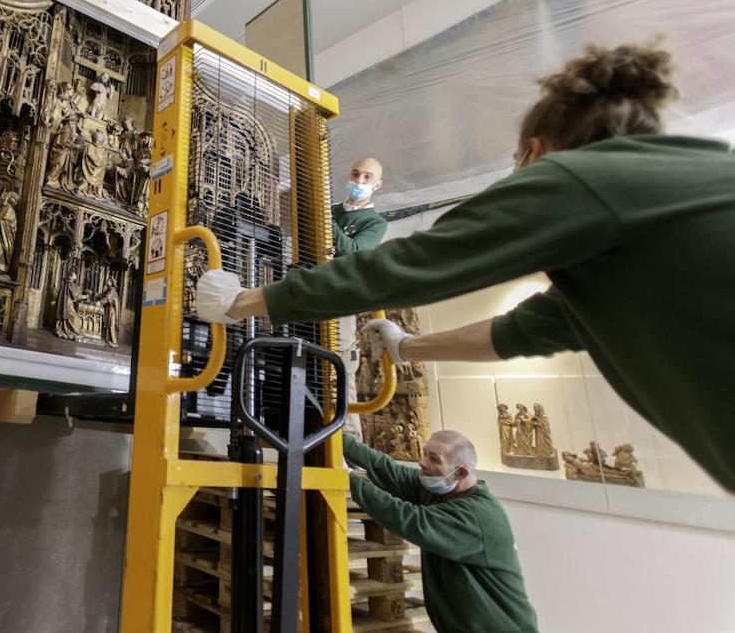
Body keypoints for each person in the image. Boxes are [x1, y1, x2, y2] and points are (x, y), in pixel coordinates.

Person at [194, 42, 735, 491]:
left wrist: (242, 303)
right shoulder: (664, 194)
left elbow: (406, 265)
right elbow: (519, 331)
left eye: (517, 166)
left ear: (536, 152)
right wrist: (410, 347)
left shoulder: (582, 177)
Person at [345, 430, 538, 633]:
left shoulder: (475, 515)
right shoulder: (441, 491)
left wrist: (350, 479)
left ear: (460, 472)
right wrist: (340, 440)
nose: (423, 463)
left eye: (433, 459)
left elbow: (409, 519)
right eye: (424, 453)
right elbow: (388, 470)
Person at [332, 156, 389, 440]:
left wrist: (324, 220)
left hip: (341, 301)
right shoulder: (332, 211)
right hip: (309, 296)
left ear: (377, 185)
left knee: (341, 367)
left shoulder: (375, 222)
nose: (359, 181)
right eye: (356, 174)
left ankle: (350, 449)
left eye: (367, 178)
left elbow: (351, 251)